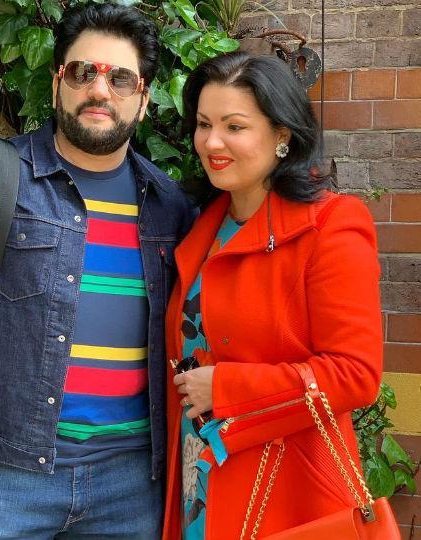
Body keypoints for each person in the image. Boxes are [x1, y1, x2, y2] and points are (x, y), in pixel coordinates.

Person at [0, 4, 196, 539]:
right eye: (83, 71)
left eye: (120, 78)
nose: (99, 90)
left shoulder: (168, 206)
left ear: (144, 100)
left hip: (131, 487)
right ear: (57, 83)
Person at [161, 52, 383, 539]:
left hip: (284, 490)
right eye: (203, 124)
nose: (211, 142)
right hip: (200, 475)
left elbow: (356, 374)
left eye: (234, 126)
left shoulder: (330, 225)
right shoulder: (202, 226)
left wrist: (226, 389)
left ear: (282, 135)